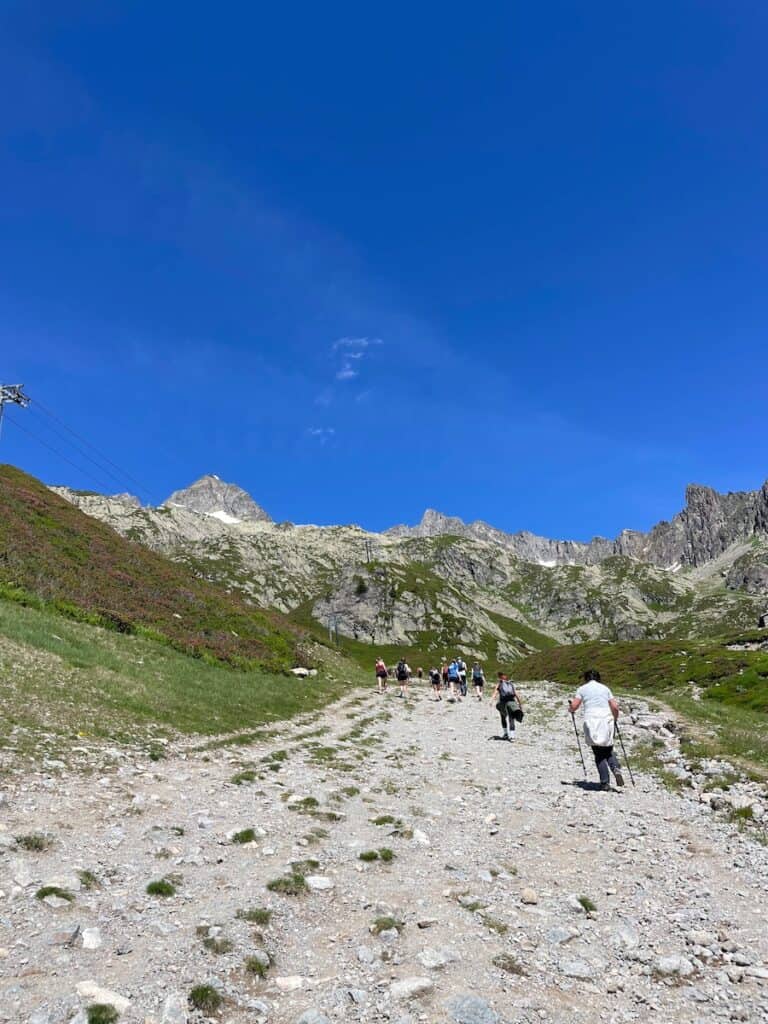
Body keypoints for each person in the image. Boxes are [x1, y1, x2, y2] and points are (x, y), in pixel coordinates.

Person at [568, 669, 624, 790]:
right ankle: (615, 768)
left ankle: (605, 783)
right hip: (606, 719)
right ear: (598, 678)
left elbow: (574, 705)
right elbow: (615, 706)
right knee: (608, 748)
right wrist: (615, 718)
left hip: (592, 720)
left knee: (598, 753)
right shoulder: (605, 688)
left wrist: (570, 709)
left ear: (586, 678)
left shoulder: (582, 689)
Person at [491, 672, 523, 739]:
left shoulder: (499, 684)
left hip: (503, 703)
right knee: (511, 719)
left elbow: (495, 693)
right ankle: (512, 736)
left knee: (503, 717)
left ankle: (505, 734)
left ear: (499, 677)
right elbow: (516, 695)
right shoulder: (510, 684)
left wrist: (491, 701)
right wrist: (520, 704)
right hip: (512, 703)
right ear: (506, 677)